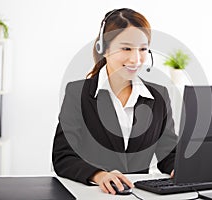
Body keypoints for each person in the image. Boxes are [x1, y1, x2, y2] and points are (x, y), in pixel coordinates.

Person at [52, 8, 177, 195]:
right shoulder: (78, 93)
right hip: (94, 195)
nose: (135, 59)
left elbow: (168, 153)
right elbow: (63, 156)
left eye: (142, 49)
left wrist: (180, 169)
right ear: (104, 48)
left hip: (139, 195)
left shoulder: (159, 96)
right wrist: (99, 175)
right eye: (126, 48)